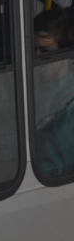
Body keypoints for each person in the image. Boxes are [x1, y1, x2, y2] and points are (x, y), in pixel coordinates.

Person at [33, 11, 74, 176]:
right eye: (33, 49)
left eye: (45, 50)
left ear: (66, 53)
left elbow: (54, 166)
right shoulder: (33, 86)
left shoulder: (69, 103)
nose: (36, 57)